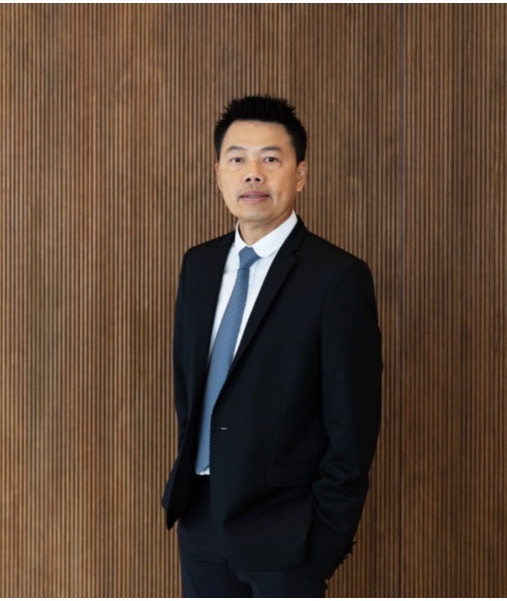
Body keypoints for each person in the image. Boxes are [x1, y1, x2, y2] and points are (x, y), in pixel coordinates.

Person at [161, 95, 382, 598]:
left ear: (300, 174)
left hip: (287, 537)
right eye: (237, 158)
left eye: (270, 159)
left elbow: (353, 425)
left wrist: (323, 544)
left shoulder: (337, 278)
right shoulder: (198, 267)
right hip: (200, 521)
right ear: (219, 173)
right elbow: (190, 392)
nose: (252, 173)